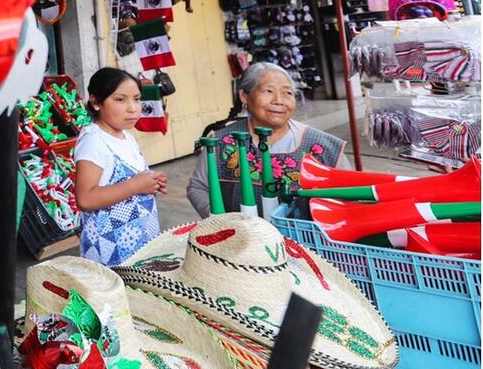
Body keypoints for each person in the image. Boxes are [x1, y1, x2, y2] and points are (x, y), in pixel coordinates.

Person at [187, 62, 349, 217]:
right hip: (241, 241)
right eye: (268, 91)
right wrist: (221, 222)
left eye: (288, 93)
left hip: (305, 243)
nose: (279, 100)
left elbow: (348, 195)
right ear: (244, 96)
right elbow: (198, 187)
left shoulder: (324, 148)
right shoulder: (221, 142)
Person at [73, 67, 167, 266]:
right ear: (96, 102)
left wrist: (151, 183)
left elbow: (129, 181)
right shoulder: (94, 141)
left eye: (137, 99)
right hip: (111, 251)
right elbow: (86, 198)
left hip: (141, 244)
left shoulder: (127, 137)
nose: (133, 108)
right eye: (120, 100)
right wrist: (135, 186)